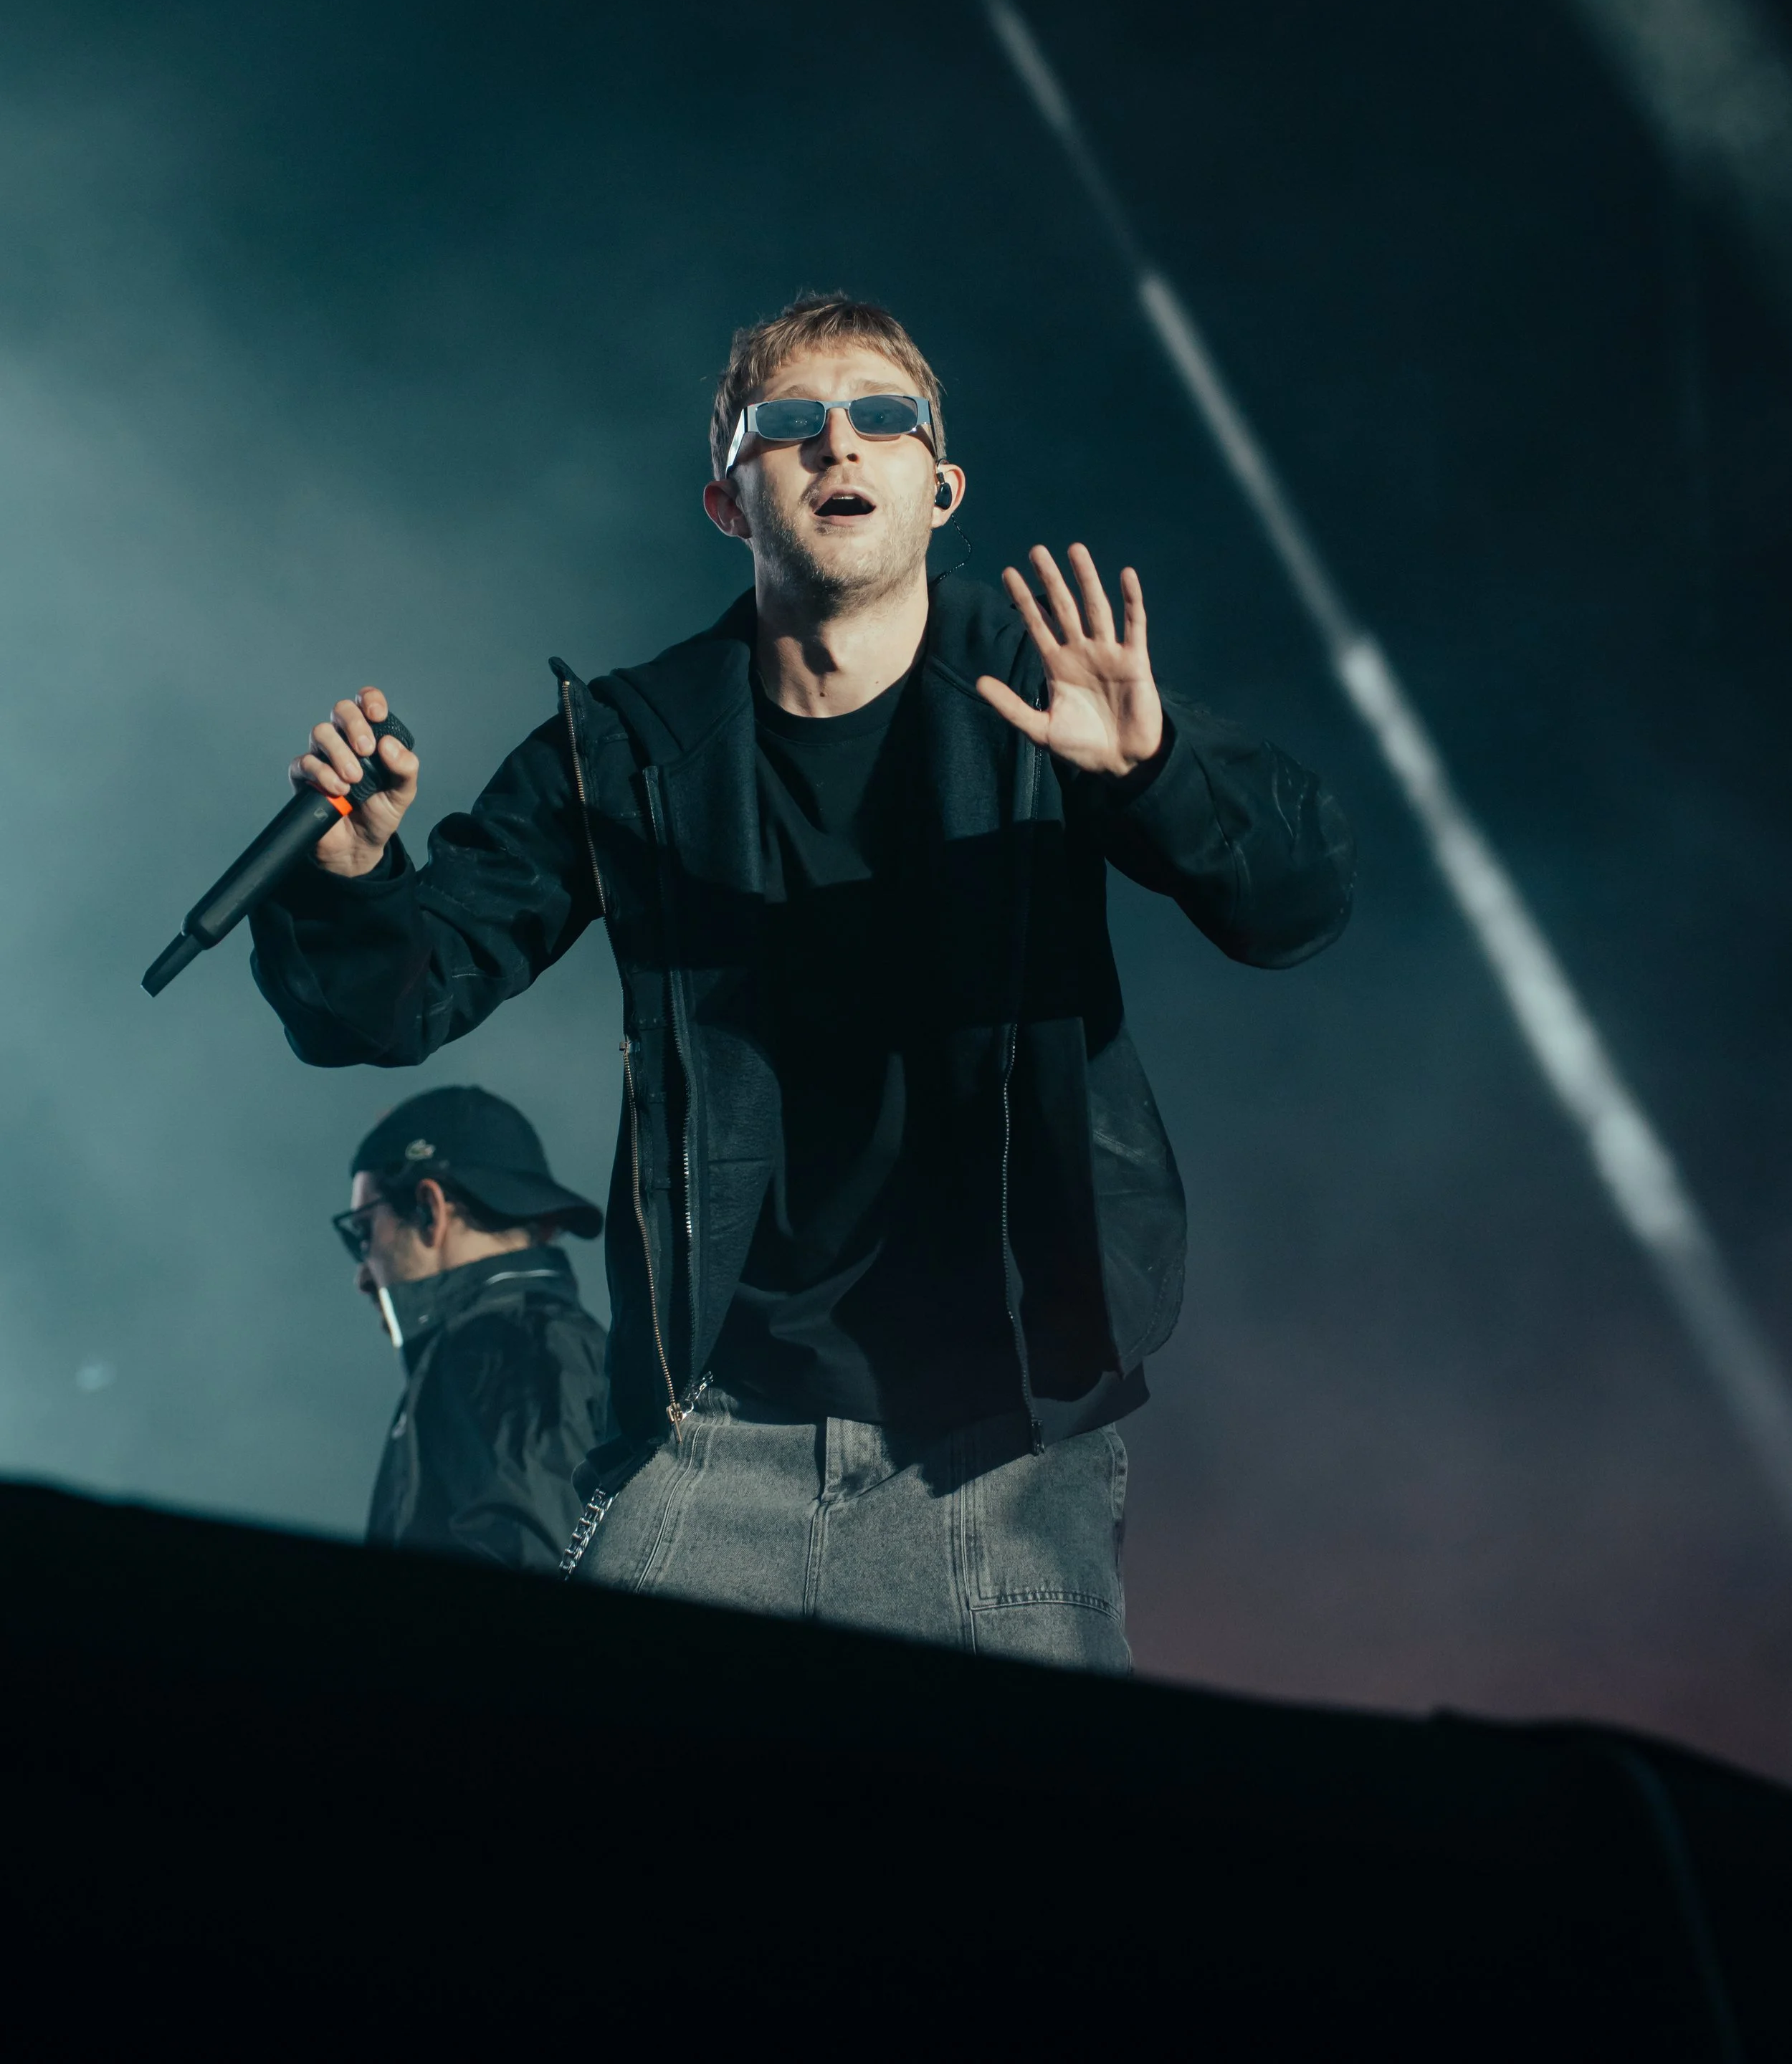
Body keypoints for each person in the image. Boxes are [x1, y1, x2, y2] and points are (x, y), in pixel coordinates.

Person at [253, 291, 1353, 1665]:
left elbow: (1296, 909)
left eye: (884, 417)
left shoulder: (1043, 695)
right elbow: (391, 1004)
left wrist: (1154, 773)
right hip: (713, 1442)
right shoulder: (629, 747)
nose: (841, 442)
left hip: (999, 1451)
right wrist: (352, 877)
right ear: (730, 501)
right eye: (790, 423)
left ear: (940, 488)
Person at [335, 1083, 608, 1572]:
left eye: (363, 1230)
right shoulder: (530, 1341)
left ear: (429, 1210)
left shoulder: (500, 1347)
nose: (361, 1277)